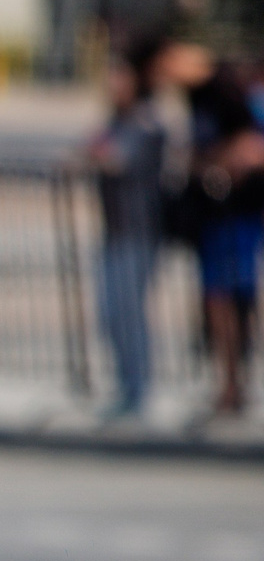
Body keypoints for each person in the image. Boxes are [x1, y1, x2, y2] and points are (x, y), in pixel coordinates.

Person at [160, 42, 264, 421]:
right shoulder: (198, 99)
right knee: (217, 302)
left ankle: (234, 384)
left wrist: (212, 162)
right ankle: (228, 383)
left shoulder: (231, 96)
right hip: (213, 218)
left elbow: (252, 149)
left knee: (233, 300)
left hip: (237, 216)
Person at [85, 46, 167, 421]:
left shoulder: (146, 123)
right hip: (114, 230)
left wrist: (97, 152)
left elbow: (113, 158)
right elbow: (90, 149)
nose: (112, 84)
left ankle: (138, 391)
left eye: (119, 76)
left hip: (139, 230)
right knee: (109, 314)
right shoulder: (116, 121)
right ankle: (125, 386)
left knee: (129, 313)